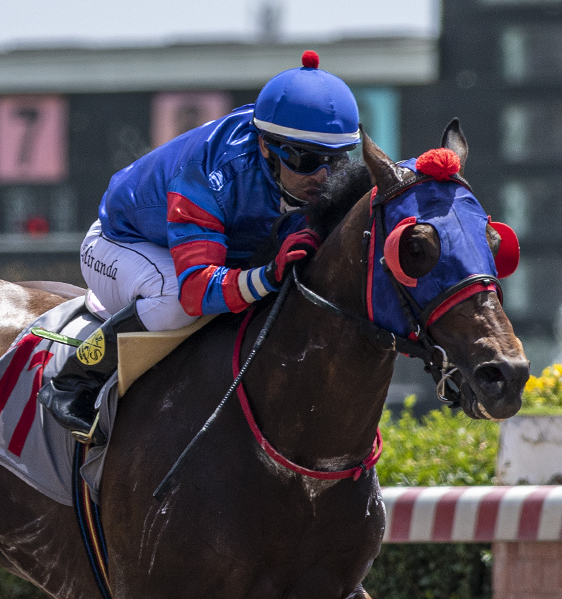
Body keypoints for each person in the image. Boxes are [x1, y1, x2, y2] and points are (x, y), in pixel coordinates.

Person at [38, 50, 361, 444]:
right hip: (120, 243)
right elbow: (197, 291)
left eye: (335, 160)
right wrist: (267, 275)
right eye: (307, 160)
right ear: (265, 146)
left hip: (211, 248)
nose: (323, 177)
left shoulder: (286, 155)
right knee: (174, 300)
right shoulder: (207, 176)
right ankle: (75, 379)